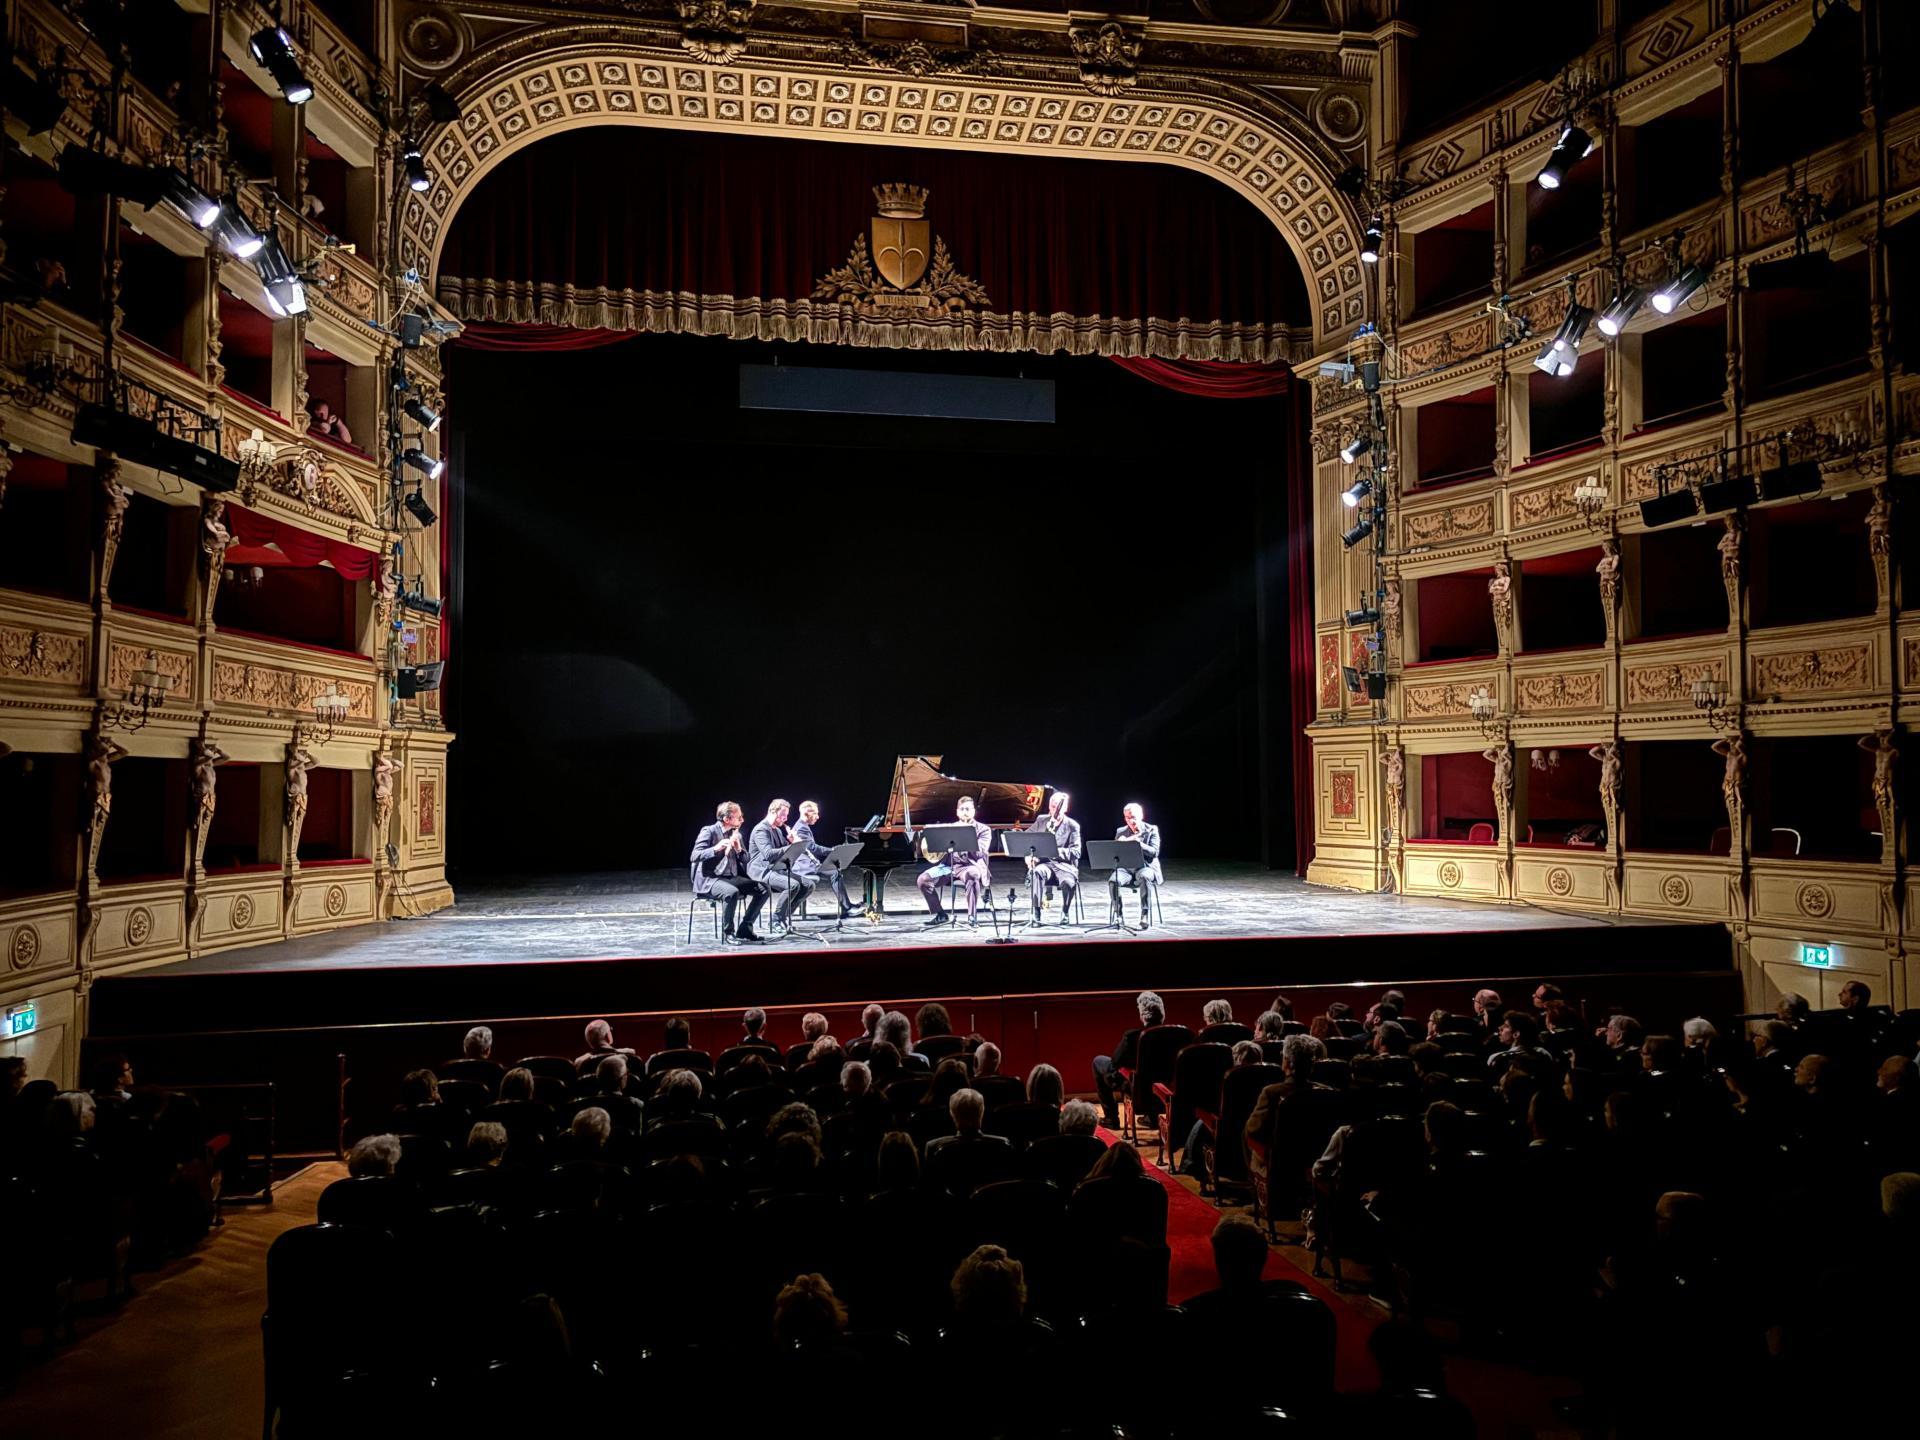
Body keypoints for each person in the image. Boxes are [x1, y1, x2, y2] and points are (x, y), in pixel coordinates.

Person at [691, 800, 768, 943]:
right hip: (711, 879)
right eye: (738, 817)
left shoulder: (735, 834)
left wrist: (739, 849)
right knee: (731, 892)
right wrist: (715, 848)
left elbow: (746, 859)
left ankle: (745, 928)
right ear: (727, 819)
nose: (742, 820)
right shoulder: (709, 831)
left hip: (730, 877)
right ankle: (728, 933)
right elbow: (694, 856)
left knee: (764, 889)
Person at [916, 794, 993, 927]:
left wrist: (965, 837)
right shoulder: (950, 828)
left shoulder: (983, 829)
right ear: (957, 812)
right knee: (923, 880)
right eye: (962, 809)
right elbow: (937, 847)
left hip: (970, 865)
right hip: (948, 867)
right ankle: (940, 914)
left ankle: (972, 916)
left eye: (968, 809)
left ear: (974, 811)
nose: (965, 812)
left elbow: (981, 852)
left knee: (973, 874)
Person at [1092, 991, 1164, 1130]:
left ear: (1143, 1015)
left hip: (1137, 1089)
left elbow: (1115, 1061)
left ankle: (1111, 1118)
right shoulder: (1176, 1035)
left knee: (1098, 1061)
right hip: (1160, 1093)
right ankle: (1152, 1117)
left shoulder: (1133, 1037)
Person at [749, 798, 813, 928]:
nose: (785, 818)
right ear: (773, 811)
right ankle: (775, 921)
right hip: (761, 870)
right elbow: (768, 854)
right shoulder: (761, 829)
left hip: (774, 869)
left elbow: (785, 852)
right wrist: (792, 845)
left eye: (787, 815)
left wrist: (793, 843)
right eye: (783, 815)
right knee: (793, 885)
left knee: (808, 885)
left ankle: (783, 917)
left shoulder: (777, 830)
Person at [793, 799, 861, 919]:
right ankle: (847, 908)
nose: (818, 817)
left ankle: (847, 906)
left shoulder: (802, 826)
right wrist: (833, 850)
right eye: (815, 813)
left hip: (809, 864)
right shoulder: (801, 828)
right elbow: (813, 848)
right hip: (804, 867)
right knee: (835, 873)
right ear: (806, 813)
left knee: (835, 871)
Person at [1023, 790, 1082, 923]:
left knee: (1068, 882)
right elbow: (1026, 839)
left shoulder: (1072, 826)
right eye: (1052, 806)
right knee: (1037, 872)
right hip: (1045, 865)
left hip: (1064, 865)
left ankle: (1065, 912)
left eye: (1058, 807)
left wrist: (1053, 850)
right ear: (1049, 806)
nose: (1055, 810)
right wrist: (1029, 856)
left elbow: (1076, 852)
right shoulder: (1041, 820)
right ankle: (1036, 913)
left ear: (1066, 808)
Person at [1109, 802, 1163, 927]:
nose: (1131, 820)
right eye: (1128, 818)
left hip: (1145, 867)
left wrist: (1138, 843)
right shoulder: (1121, 831)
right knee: (1113, 881)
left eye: (1133, 817)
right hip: (1127, 869)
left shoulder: (1151, 830)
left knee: (1145, 877)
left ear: (1141, 815)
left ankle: (1144, 914)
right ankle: (1118, 915)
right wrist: (1118, 844)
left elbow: (1154, 852)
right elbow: (1116, 855)